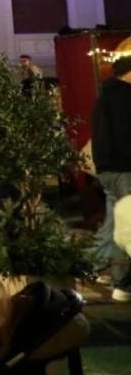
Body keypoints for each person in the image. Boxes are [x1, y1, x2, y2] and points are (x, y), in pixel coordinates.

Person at [93, 55, 131, 302]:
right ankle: (123, 282)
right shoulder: (125, 97)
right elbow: (126, 135)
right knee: (127, 227)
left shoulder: (105, 95)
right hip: (124, 168)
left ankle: (93, 265)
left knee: (113, 223)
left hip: (106, 168)